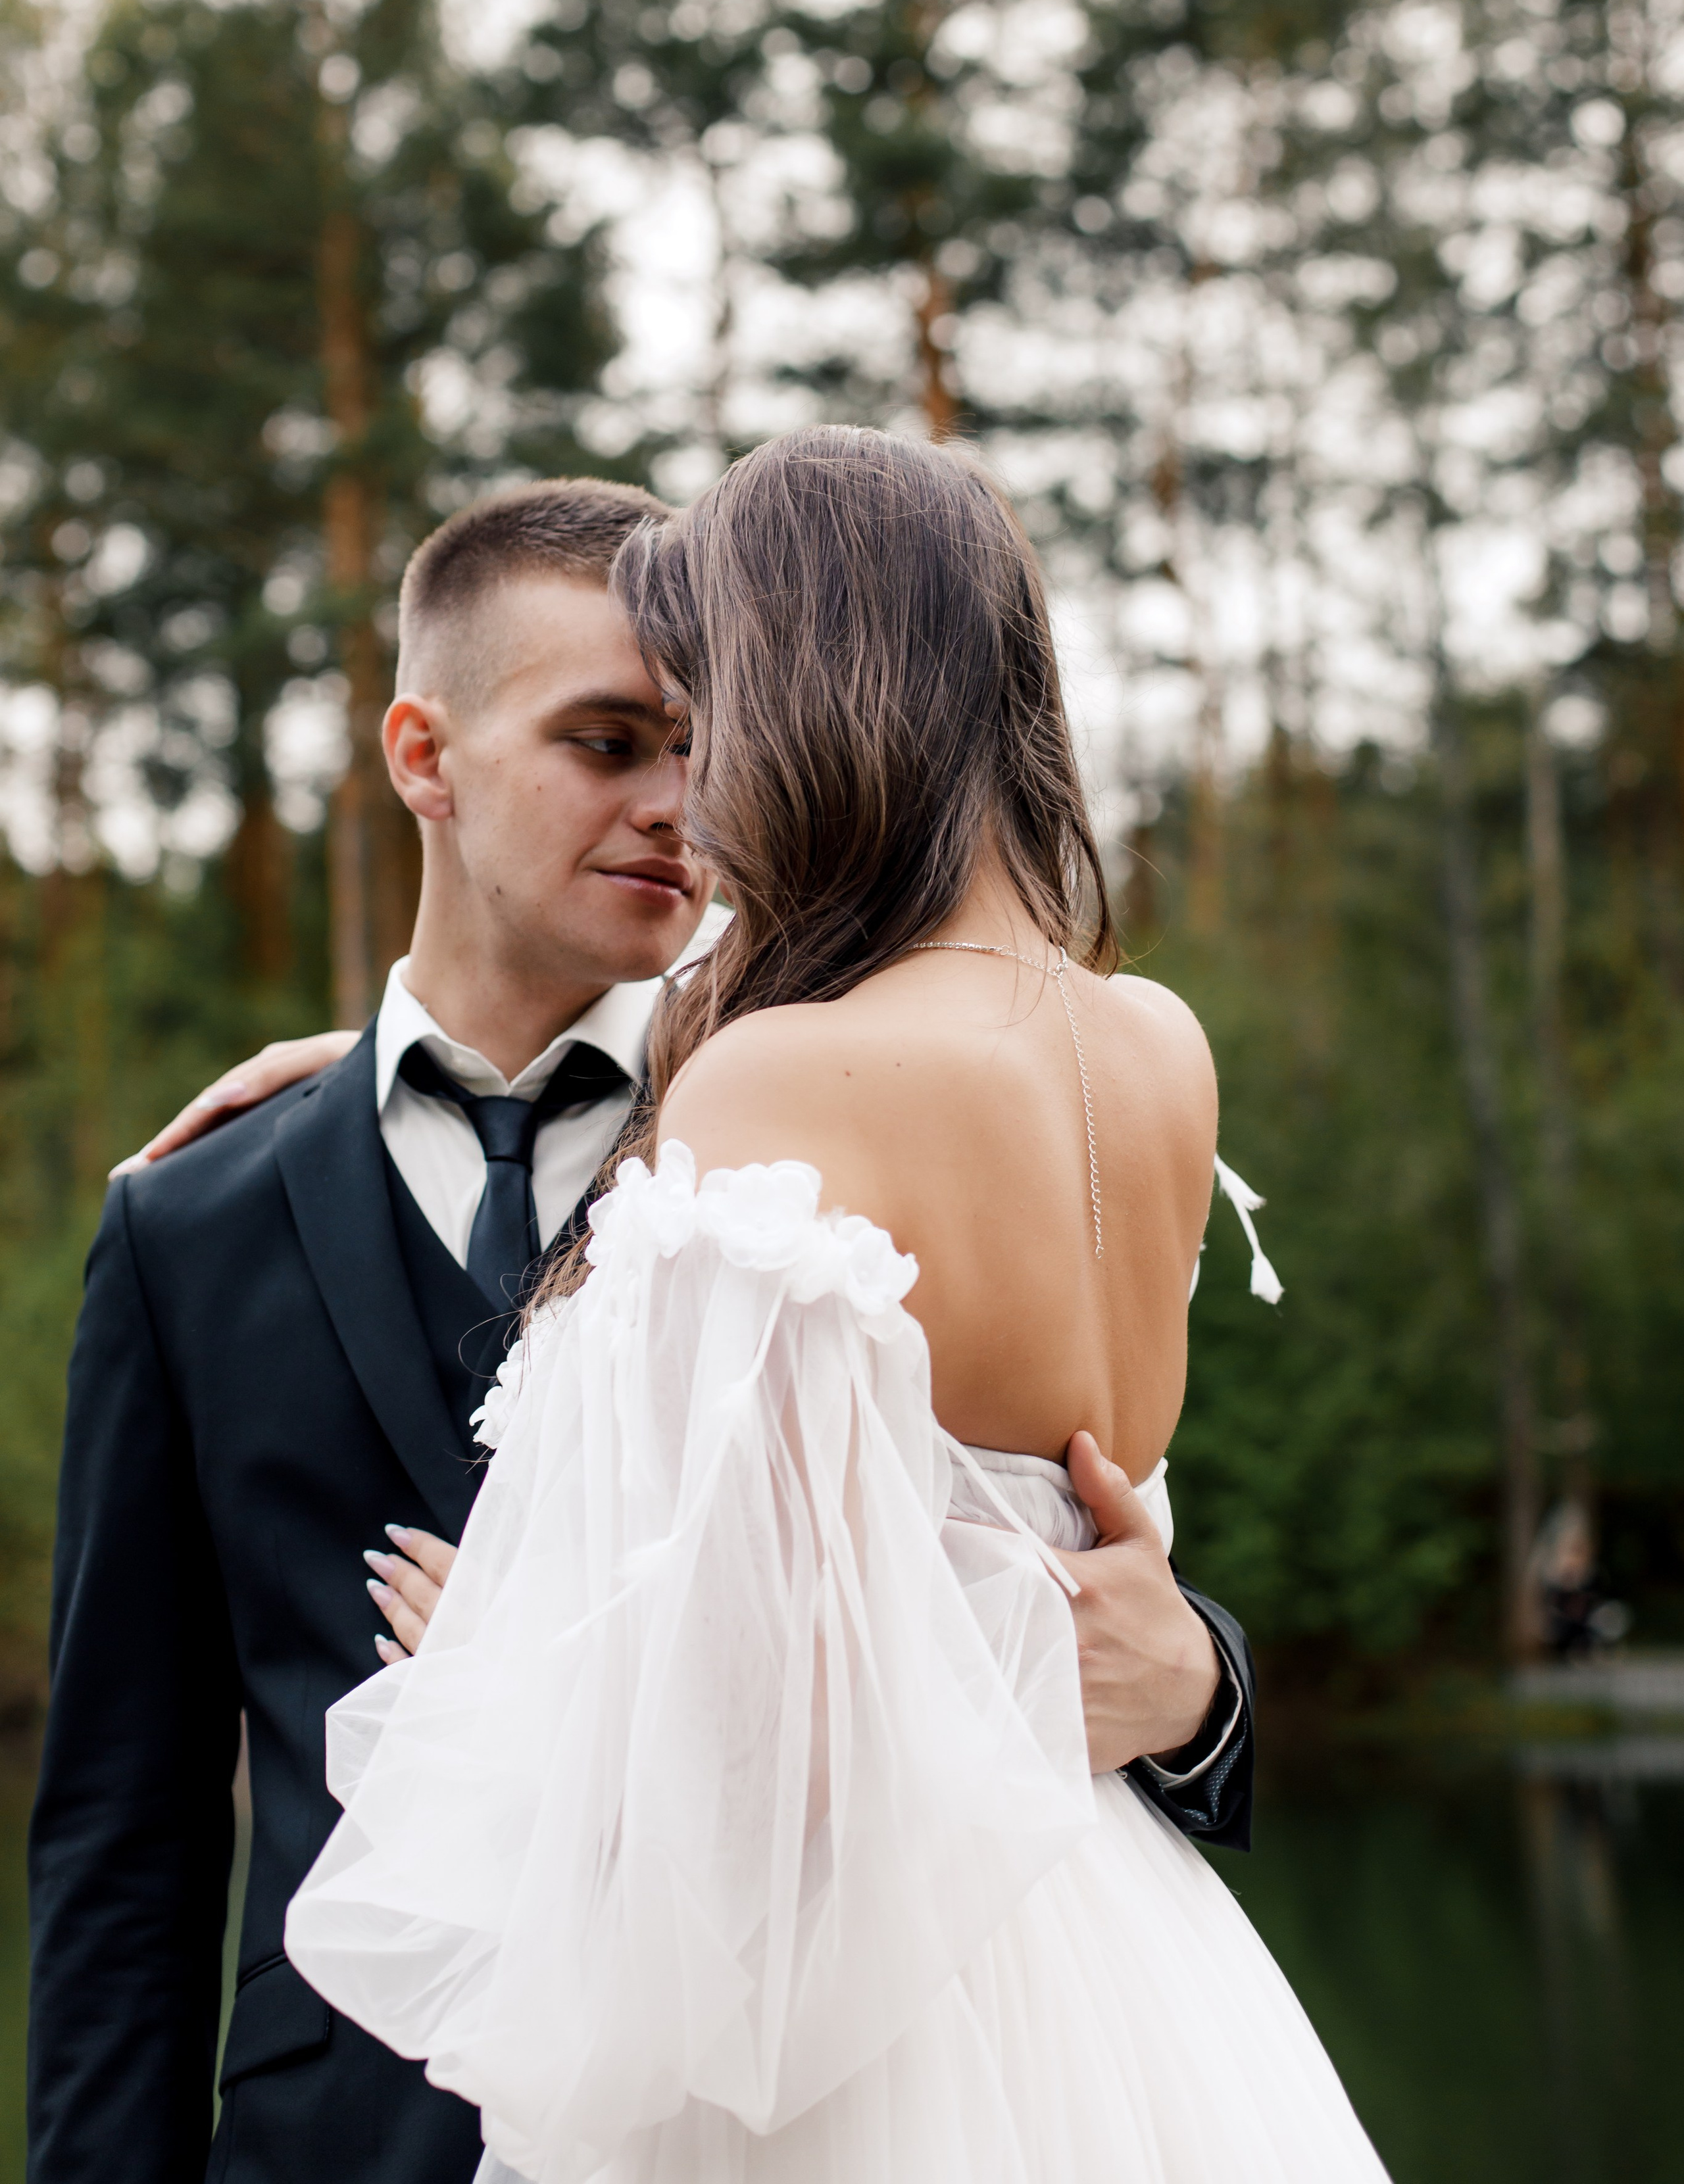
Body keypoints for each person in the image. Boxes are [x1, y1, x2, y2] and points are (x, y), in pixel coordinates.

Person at [28, 475, 1258, 2184]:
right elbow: (123, 1837)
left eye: (699, 733)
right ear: (422, 757)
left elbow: (1020, 1566)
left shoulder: (804, 1107)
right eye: (608, 742)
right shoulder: (199, 1220)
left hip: (819, 2087)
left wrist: (1198, 1687)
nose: (678, 800)